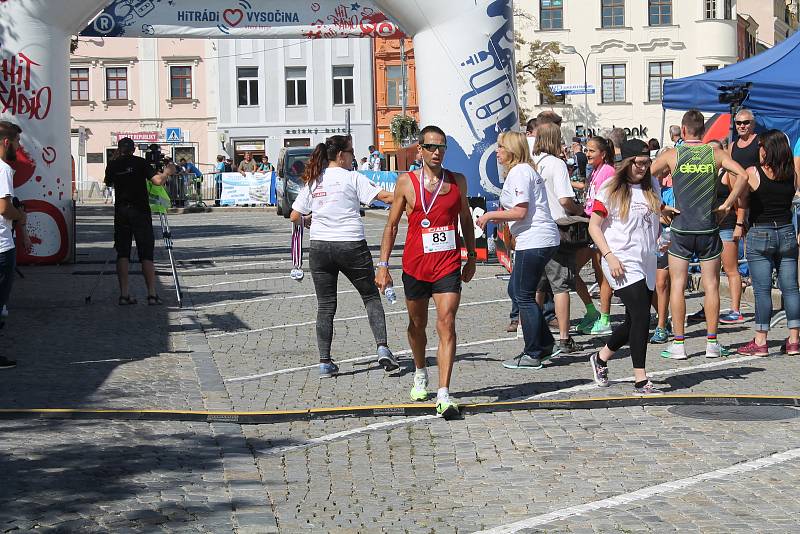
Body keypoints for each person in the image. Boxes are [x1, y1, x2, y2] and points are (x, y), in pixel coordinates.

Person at [376, 125, 477, 419]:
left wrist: (470, 256)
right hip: (416, 265)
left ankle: (444, 392)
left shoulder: (457, 181)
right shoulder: (406, 183)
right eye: (431, 147)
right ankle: (420, 371)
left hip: (447, 264)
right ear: (419, 150)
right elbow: (392, 226)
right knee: (416, 325)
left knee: (446, 322)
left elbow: (466, 221)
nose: (436, 152)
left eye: (441, 147)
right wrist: (383, 267)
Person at [290, 135, 398, 378]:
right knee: (370, 296)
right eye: (351, 152)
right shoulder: (353, 177)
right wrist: (410, 196)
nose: (352, 157)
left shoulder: (314, 181)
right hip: (351, 244)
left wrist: (310, 220)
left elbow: (295, 216)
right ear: (341, 156)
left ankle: (325, 362)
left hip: (320, 247)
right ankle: (382, 348)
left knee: (326, 306)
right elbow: (385, 197)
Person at [651, 110, 749, 360]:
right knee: (712, 285)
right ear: (704, 132)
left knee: (678, 286)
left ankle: (680, 344)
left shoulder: (673, 154)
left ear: (683, 131)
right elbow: (744, 175)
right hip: (707, 227)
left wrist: (659, 206)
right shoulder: (715, 153)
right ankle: (712, 344)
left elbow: (643, 176)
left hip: (682, 228)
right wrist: (727, 205)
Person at [588, 139, 669, 396]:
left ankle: (600, 358)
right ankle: (640, 378)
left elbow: (653, 216)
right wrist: (609, 256)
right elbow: (594, 227)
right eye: (640, 164)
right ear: (628, 163)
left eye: (647, 164)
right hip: (620, 261)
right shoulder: (610, 188)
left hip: (646, 260)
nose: (644, 169)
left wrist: (665, 217)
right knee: (643, 316)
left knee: (635, 319)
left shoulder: (651, 186)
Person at [476, 130, 560, 369]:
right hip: (535, 238)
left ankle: (533, 351)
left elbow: (521, 211)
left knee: (523, 294)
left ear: (511, 149)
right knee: (517, 289)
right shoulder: (523, 171)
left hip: (535, 239)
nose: (497, 152)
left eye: (501, 147)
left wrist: (491, 215)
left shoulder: (520, 172)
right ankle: (544, 343)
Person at [736, 130, 800, 356]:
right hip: (786, 232)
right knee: (791, 289)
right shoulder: (792, 173)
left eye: (761, 146)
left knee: (762, 290)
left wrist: (738, 223)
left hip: (760, 232)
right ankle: (794, 340)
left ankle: (761, 341)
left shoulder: (753, 172)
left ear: (769, 149)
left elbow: (742, 200)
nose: (758, 150)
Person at [531, 123, 589, 354]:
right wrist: (580, 211)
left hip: (536, 229)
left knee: (539, 285)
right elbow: (565, 200)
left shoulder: (533, 164)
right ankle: (564, 338)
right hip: (557, 228)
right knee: (561, 285)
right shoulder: (557, 164)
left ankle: (534, 333)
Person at [104, 137, 177, 305]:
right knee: (146, 253)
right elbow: (157, 182)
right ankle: (152, 294)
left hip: (121, 211)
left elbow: (109, 182)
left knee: (122, 253)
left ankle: (124, 294)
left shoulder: (113, 164)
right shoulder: (140, 162)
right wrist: (167, 172)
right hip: (140, 211)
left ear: (119, 149)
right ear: (134, 149)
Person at [577, 136, 616, 335]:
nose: (588, 154)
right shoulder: (595, 171)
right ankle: (594, 312)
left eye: (592, 151)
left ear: (603, 153)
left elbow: (605, 201)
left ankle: (605, 317)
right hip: (591, 225)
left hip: (602, 228)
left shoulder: (608, 171)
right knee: (576, 272)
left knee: (603, 275)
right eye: (587, 150)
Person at [0, 121, 29, 369]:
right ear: (6, 142)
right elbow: (4, 207)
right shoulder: (3, 169)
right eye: (17, 142)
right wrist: (20, 215)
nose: (19, 147)